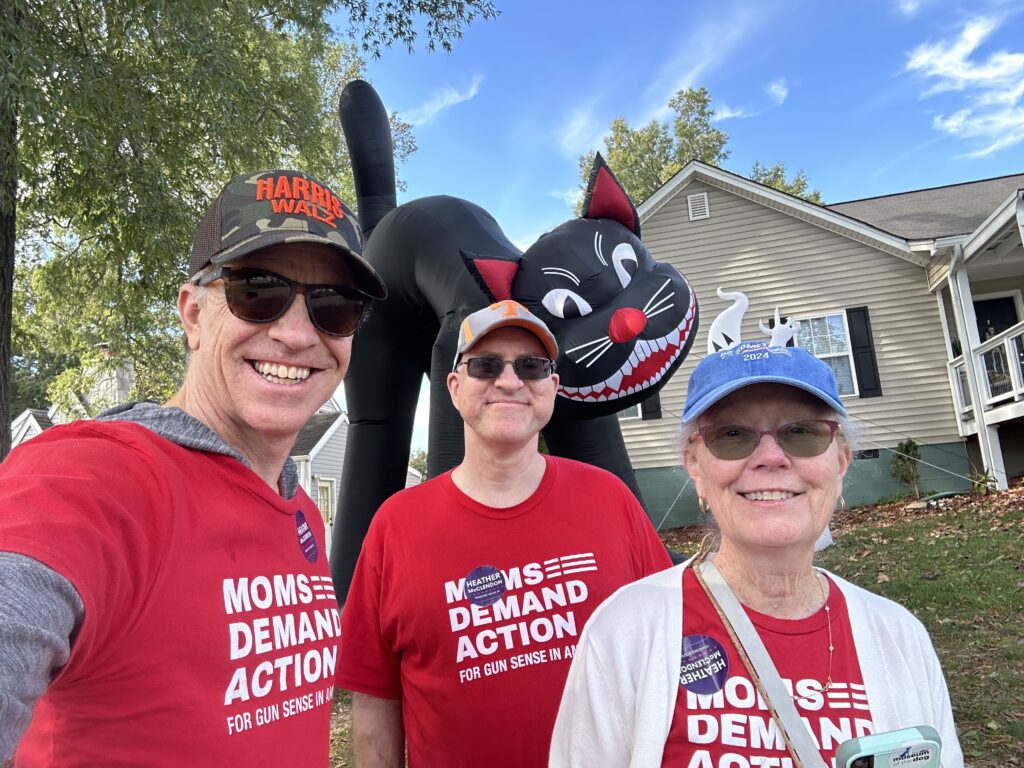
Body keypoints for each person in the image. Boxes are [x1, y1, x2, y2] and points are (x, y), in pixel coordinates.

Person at [0, 169, 387, 766]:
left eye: (334, 306)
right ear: (193, 313)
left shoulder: (299, 509)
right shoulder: (91, 478)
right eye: (257, 290)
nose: (294, 333)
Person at [550, 340, 964, 767]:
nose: (770, 457)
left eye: (801, 432)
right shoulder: (623, 632)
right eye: (732, 436)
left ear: (840, 463)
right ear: (695, 465)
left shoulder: (900, 637)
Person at [336, 300, 673, 767]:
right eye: (485, 365)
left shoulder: (610, 499)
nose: (510, 381)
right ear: (454, 387)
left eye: (531, 367)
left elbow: (671, 645)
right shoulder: (395, 525)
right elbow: (375, 698)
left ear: (552, 387)